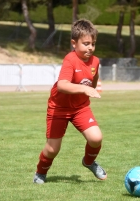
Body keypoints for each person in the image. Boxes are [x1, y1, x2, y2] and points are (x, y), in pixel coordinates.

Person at [33, 19, 107, 184]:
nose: (90, 47)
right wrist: (84, 89)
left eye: (93, 44)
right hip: (58, 108)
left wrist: (91, 89)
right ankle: (40, 172)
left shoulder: (95, 61)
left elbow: (93, 79)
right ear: (74, 43)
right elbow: (62, 85)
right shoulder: (70, 60)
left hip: (80, 107)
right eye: (86, 43)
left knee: (96, 138)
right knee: (53, 149)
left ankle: (88, 162)